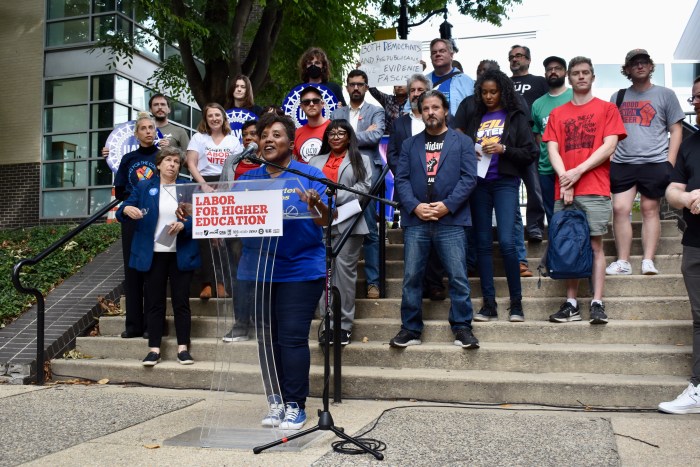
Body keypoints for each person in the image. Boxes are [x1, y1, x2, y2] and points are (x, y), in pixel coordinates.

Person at [236, 113, 331, 430]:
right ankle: (275, 401)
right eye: (263, 135)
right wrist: (193, 212)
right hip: (260, 271)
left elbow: (325, 221)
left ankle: (295, 405)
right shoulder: (247, 180)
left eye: (276, 134)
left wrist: (315, 204)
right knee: (267, 341)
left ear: (291, 143)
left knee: (291, 338)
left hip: (301, 270)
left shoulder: (309, 175)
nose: (267, 139)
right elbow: (228, 217)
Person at [389, 90, 479, 349]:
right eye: (426, 108)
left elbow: (468, 178)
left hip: (451, 220)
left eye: (435, 107)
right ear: (421, 112)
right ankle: (410, 329)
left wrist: (447, 206)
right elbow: (402, 179)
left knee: (458, 277)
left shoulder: (462, 142)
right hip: (417, 220)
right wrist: (415, 206)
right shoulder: (409, 144)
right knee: (411, 278)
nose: (431, 112)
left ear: (445, 111)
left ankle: (462, 328)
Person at [543, 56, 626, 325]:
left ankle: (597, 302)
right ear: (569, 77)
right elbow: (551, 148)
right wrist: (565, 178)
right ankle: (571, 304)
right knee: (568, 244)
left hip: (595, 187)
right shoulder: (557, 113)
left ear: (592, 76)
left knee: (594, 245)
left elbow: (609, 146)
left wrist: (577, 172)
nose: (581, 76)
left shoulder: (607, 109)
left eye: (586, 72)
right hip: (564, 188)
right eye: (576, 73)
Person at [464, 70, 538, 323]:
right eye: (484, 92)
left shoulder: (514, 116)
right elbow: (464, 146)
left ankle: (516, 304)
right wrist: (470, 152)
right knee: (483, 244)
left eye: (493, 92)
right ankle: (489, 304)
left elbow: (530, 152)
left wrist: (503, 148)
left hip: (505, 182)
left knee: (507, 242)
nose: (488, 96)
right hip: (479, 185)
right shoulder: (477, 117)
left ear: (503, 91)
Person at [116, 146, 200, 366]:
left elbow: (199, 216)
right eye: (168, 160)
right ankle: (154, 349)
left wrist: (184, 224)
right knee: (154, 303)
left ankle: (183, 348)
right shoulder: (145, 187)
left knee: (181, 302)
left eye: (176, 161)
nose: (172, 164)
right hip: (154, 254)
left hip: (180, 252)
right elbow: (122, 209)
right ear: (159, 164)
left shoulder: (187, 187)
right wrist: (125, 210)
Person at [606, 49, 685, 276]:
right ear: (627, 70)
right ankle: (623, 261)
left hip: (655, 161)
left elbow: (676, 129)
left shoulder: (666, 95)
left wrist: (670, 162)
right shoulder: (618, 96)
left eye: (644, 62)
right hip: (623, 162)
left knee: (651, 209)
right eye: (634, 63)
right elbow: (611, 130)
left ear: (650, 66)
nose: (639, 66)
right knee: (620, 209)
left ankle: (648, 260)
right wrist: (611, 158)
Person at [309, 120, 372, 345]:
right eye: (331, 133)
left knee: (344, 277)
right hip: (320, 223)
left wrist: (333, 196)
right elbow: (308, 186)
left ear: (349, 136)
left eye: (341, 133)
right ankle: (327, 325)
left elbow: (365, 187)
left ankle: (343, 326)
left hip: (349, 224)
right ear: (326, 138)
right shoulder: (314, 161)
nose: (336, 136)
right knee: (324, 274)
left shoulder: (361, 159)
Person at [658, 76, 700, 414]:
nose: (697, 102)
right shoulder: (690, 145)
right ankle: (699, 388)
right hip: (695, 243)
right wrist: (686, 198)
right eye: (695, 97)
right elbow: (672, 191)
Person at [331, 69, 385, 299]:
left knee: (371, 231)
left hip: (367, 176)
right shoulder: (337, 112)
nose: (356, 88)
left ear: (366, 86)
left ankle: (373, 282)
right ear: (346, 86)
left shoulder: (377, 111)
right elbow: (332, 139)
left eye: (360, 84)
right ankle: (336, 283)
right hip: (341, 176)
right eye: (352, 84)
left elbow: (376, 136)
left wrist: (346, 135)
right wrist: (360, 133)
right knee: (338, 227)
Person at [186, 103, 244, 299]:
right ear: (206, 118)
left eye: (217, 115)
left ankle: (225, 283)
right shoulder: (198, 138)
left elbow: (237, 167)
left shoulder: (233, 141)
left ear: (223, 118)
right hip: (204, 185)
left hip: (227, 186)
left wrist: (225, 189)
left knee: (226, 238)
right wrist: (203, 185)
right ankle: (208, 283)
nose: (214, 118)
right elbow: (191, 163)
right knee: (205, 239)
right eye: (210, 115)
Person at [113, 112, 159, 339]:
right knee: (132, 272)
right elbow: (120, 189)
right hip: (132, 218)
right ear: (137, 133)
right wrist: (132, 205)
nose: (149, 131)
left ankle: (152, 325)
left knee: (151, 271)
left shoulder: (162, 156)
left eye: (152, 127)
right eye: (144, 128)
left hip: (155, 218)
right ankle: (133, 325)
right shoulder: (129, 159)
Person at [219, 120, 261, 342]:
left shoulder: (271, 164)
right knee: (238, 276)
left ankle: (263, 322)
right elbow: (222, 193)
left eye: (254, 134)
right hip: (236, 229)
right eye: (245, 134)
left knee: (263, 276)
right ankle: (241, 323)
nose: (248, 138)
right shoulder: (231, 162)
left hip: (264, 229)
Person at [509, 45, 547, 279]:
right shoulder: (503, 82)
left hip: (531, 142)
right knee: (512, 190)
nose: (515, 60)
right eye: (512, 57)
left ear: (529, 60)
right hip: (509, 146)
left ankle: (534, 227)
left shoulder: (539, 82)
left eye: (519, 56)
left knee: (535, 187)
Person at [531, 56, 573, 224]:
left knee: (573, 213)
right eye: (549, 69)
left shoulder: (575, 96)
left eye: (557, 68)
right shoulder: (537, 104)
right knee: (552, 215)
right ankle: (557, 248)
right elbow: (538, 135)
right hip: (546, 168)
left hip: (572, 167)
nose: (553, 72)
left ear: (566, 73)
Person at [425, 38, 475, 116]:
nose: (437, 54)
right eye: (434, 52)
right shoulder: (422, 82)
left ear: (451, 55)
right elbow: (410, 109)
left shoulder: (467, 82)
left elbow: (475, 111)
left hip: (458, 128)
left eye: (442, 51)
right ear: (431, 57)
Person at [293, 86, 331, 162]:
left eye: (315, 101)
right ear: (301, 107)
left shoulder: (333, 128)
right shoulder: (297, 133)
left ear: (322, 104)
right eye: (306, 102)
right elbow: (293, 163)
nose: (311, 104)